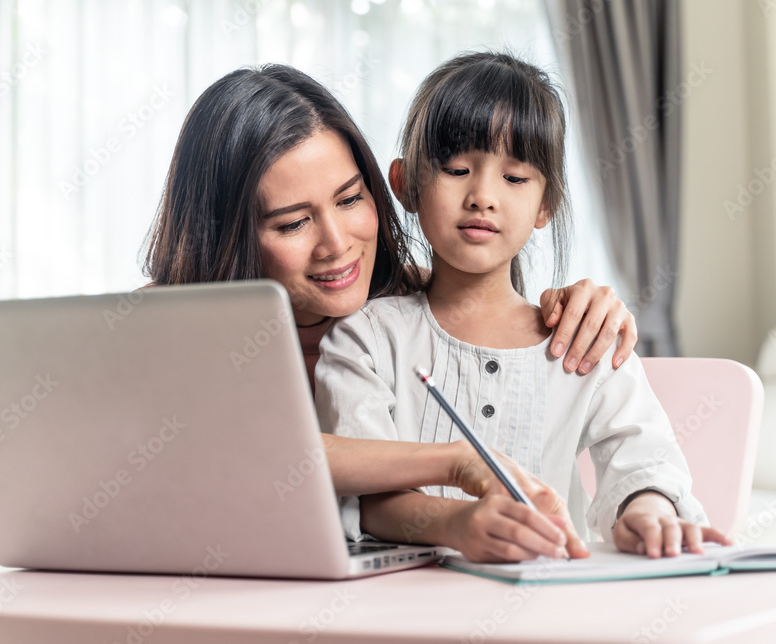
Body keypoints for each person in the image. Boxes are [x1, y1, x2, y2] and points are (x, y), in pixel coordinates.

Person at [143, 62, 639, 557]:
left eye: (351, 198)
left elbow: (482, 299)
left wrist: (584, 304)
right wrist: (455, 464)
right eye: (293, 224)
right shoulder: (169, 329)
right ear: (226, 237)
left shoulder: (399, 305)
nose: (337, 245)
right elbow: (259, 456)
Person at [314, 51, 730, 563]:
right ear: (405, 185)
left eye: (514, 178)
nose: (483, 196)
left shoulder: (581, 340)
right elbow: (367, 496)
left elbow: (644, 460)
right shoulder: (366, 338)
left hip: (551, 606)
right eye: (457, 168)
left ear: (545, 206)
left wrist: (647, 510)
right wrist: (457, 524)